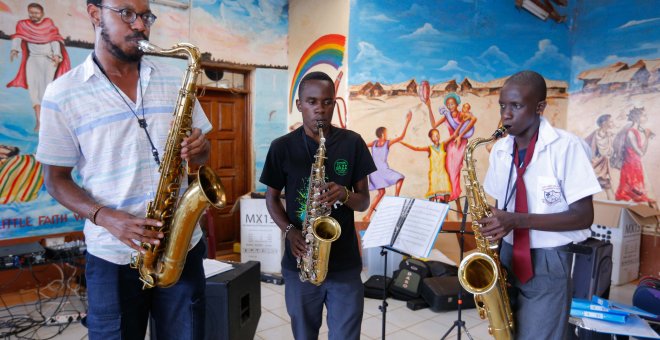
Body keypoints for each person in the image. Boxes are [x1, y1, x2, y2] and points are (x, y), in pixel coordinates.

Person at [35, 1, 212, 339]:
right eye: (127, 13)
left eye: (146, 16)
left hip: (182, 248)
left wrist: (201, 150)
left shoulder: (174, 79)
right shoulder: (62, 94)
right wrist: (104, 216)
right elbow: (55, 180)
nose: (141, 26)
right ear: (93, 13)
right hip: (113, 255)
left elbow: (202, 156)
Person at [477, 70, 601, 340]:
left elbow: (583, 216)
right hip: (507, 255)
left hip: (548, 259)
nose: (506, 114)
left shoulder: (567, 147)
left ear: (540, 107)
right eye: (502, 106)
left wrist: (518, 220)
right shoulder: (499, 150)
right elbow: (501, 207)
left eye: (516, 106)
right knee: (509, 332)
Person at [260, 71, 376, 340]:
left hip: (344, 264)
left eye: (326, 102)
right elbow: (271, 197)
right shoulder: (282, 147)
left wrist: (344, 195)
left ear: (334, 103)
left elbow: (364, 200)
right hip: (299, 261)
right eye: (312, 102)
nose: (320, 110)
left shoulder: (353, 143)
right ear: (299, 104)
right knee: (304, 335)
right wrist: (290, 231)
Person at [7, 2, 71, 131]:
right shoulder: (23, 25)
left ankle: (50, 120)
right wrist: (14, 49)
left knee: (46, 90)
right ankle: (39, 121)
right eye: (31, 13)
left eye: (36, 13)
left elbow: (54, 39)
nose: (33, 15)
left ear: (42, 13)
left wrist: (57, 55)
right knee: (33, 91)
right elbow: (18, 37)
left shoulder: (48, 25)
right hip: (33, 60)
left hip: (48, 61)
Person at [363, 110, 412, 222]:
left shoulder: (374, 143)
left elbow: (361, 145)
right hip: (382, 170)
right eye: (386, 133)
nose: (387, 134)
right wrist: (407, 122)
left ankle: (368, 215)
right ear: (383, 134)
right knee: (400, 177)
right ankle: (396, 198)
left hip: (374, 172)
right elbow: (401, 137)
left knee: (381, 193)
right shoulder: (386, 143)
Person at [613, 107, 655, 205]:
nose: (646, 117)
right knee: (629, 190)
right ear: (636, 118)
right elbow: (641, 153)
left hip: (635, 164)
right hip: (630, 166)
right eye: (644, 115)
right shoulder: (630, 133)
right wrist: (647, 138)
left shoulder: (636, 130)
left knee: (636, 191)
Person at [400, 128, 455, 202]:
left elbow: (454, 136)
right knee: (432, 195)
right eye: (434, 136)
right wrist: (401, 142)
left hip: (443, 174)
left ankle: (445, 211)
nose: (436, 137)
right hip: (434, 174)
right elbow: (416, 148)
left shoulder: (443, 145)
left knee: (446, 193)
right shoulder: (430, 148)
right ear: (431, 138)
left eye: (437, 135)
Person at [584, 114, 615, 199]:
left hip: (604, 167)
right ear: (604, 123)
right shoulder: (595, 134)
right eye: (611, 122)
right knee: (590, 190)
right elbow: (583, 145)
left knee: (608, 187)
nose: (613, 123)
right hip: (595, 166)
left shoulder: (610, 135)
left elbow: (610, 152)